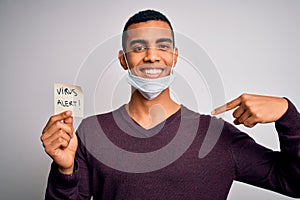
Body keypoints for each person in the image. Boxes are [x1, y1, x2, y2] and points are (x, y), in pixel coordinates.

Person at [41, 10, 300, 199]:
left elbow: (293, 182)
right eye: (139, 47)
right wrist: (65, 171)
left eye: (162, 47)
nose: (152, 56)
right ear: (123, 60)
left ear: (174, 57)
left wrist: (288, 116)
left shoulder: (217, 136)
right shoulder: (92, 131)